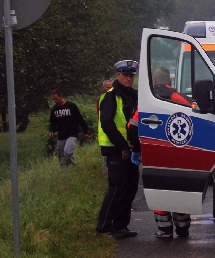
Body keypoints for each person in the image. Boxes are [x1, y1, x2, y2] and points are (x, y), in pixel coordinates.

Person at [96, 60, 141, 239]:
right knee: (116, 189)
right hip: (116, 149)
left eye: (131, 75)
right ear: (118, 75)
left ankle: (121, 226)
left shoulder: (132, 95)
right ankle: (104, 227)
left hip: (130, 150)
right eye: (125, 75)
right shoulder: (110, 96)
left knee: (129, 189)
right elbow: (107, 124)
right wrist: (122, 146)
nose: (129, 78)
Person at [148, 67, 192, 239]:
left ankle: (164, 229)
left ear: (154, 81)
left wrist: (137, 149)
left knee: (160, 192)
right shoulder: (178, 98)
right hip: (179, 154)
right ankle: (182, 228)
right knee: (180, 191)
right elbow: (195, 118)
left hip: (156, 153)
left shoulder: (148, 100)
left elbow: (134, 126)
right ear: (170, 81)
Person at [49, 89, 90, 166]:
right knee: (60, 155)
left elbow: (80, 119)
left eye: (56, 98)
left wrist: (86, 132)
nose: (54, 100)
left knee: (67, 152)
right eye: (53, 99)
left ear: (61, 96)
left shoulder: (71, 106)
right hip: (61, 135)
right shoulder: (54, 109)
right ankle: (64, 170)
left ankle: (74, 166)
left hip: (72, 133)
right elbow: (52, 121)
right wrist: (51, 131)